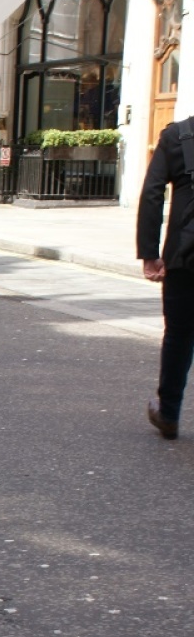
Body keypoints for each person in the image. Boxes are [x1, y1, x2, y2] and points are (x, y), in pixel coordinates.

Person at [137, 117, 194, 440]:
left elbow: (152, 194)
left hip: (184, 256)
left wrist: (149, 252)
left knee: (179, 334)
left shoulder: (178, 136)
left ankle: (169, 413)